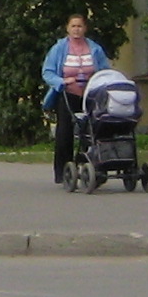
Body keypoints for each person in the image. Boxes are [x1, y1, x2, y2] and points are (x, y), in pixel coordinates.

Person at [41, 13, 107, 183]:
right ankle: (63, 172)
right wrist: (61, 81)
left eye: (80, 26)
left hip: (90, 95)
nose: (76, 29)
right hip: (67, 94)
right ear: (67, 28)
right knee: (65, 132)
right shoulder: (59, 48)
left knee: (92, 131)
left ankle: (91, 167)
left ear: (85, 28)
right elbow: (47, 72)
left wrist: (100, 81)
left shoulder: (95, 48)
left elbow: (105, 70)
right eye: (73, 26)